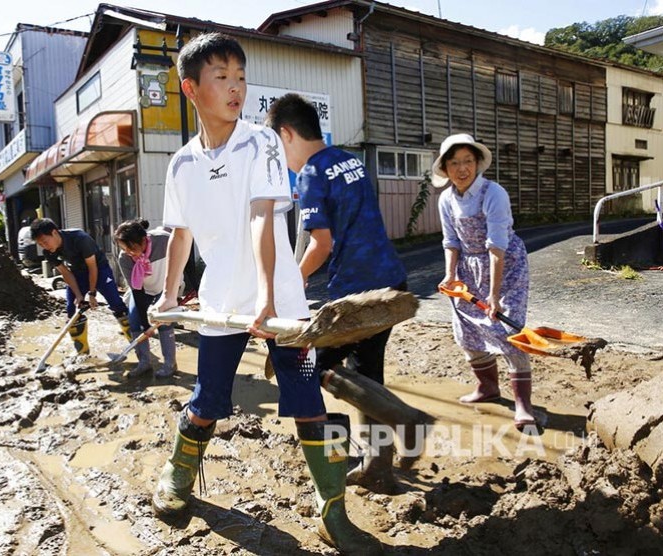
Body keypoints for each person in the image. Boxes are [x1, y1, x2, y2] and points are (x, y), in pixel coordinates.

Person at [150, 33, 383, 555]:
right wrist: (168, 297)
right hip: (220, 305)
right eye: (221, 77)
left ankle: (334, 513)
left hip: (281, 306)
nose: (235, 88)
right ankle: (178, 477)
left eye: (240, 76)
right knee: (208, 400)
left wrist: (269, 299)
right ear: (191, 88)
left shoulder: (260, 142)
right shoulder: (181, 165)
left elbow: (262, 218)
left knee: (307, 401)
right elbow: (180, 235)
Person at [266, 93, 410, 495]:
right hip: (392, 285)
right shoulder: (351, 160)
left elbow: (321, 245)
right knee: (369, 376)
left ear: (287, 134)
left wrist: (287, 284)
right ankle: (378, 466)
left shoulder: (312, 173)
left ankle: (342, 448)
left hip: (356, 296)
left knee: (305, 371)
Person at [433, 133, 536, 431]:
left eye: (467, 161)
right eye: (454, 163)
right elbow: (450, 241)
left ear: (477, 163)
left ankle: (523, 405)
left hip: (505, 265)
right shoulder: (446, 199)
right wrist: (450, 275)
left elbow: (496, 246)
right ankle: (488, 388)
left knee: (509, 330)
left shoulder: (494, 193)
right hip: (468, 268)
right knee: (466, 329)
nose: (462, 168)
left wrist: (493, 295)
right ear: (446, 168)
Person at [30, 218, 131, 355]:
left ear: (54, 233)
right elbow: (66, 273)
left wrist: (92, 293)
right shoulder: (48, 252)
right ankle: (82, 353)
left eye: (45, 241)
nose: (44, 246)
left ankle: (137, 343)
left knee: (117, 305)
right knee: (72, 309)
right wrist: (78, 295)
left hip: (99, 269)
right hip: (77, 273)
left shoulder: (80, 238)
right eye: (40, 244)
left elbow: (92, 267)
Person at [114, 218, 179, 378]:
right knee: (135, 320)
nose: (129, 252)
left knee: (163, 322)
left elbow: (182, 254)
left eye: (132, 248)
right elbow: (137, 292)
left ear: (144, 240)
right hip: (143, 289)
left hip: (165, 288)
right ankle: (144, 363)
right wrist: (145, 323)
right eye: (124, 249)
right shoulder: (125, 258)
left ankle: (170, 364)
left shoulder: (163, 241)